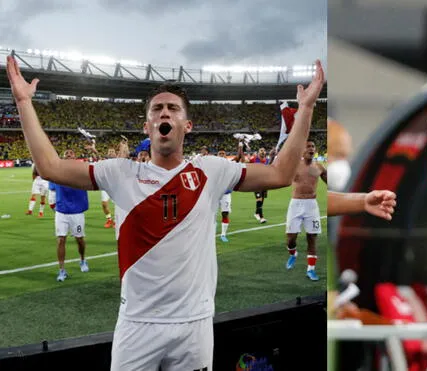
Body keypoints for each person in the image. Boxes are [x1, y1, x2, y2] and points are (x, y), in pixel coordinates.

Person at [6, 55, 325, 371]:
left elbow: (281, 174)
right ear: (147, 126)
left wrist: (307, 109)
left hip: (194, 324)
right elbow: (49, 167)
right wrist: (23, 102)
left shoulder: (211, 170)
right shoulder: (120, 173)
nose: (165, 112)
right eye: (157, 108)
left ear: (187, 125)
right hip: (137, 323)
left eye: (173, 108)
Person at [284, 140, 327, 280]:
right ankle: (293, 253)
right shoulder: (295, 166)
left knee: (312, 238)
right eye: (308, 146)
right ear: (302, 150)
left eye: (313, 146)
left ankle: (311, 269)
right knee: (291, 238)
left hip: (311, 206)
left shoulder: (319, 167)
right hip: (296, 204)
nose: (311, 149)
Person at [49, 149, 90, 282]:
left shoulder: (82, 170)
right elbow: (52, 190)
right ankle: (61, 270)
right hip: (61, 212)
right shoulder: (56, 172)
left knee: (79, 239)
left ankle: (83, 260)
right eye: (66, 153)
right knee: (61, 239)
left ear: (75, 156)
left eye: (71, 153)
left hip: (77, 212)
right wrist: (53, 205)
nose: (68, 154)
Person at [216, 143, 244, 242]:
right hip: (214, 194)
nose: (222, 155)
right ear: (217, 155)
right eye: (220, 153)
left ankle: (223, 234)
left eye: (223, 153)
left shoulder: (230, 163)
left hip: (225, 194)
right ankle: (212, 229)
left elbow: (239, 157)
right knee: (211, 214)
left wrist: (240, 146)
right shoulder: (213, 165)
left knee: (225, 213)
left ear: (225, 155)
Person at [253, 147, 270, 223]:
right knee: (259, 200)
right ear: (258, 152)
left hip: (264, 183)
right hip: (256, 183)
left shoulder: (267, 161)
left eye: (264, 150)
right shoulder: (254, 159)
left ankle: (256, 213)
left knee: (262, 200)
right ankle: (261, 217)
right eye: (261, 151)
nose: (263, 152)